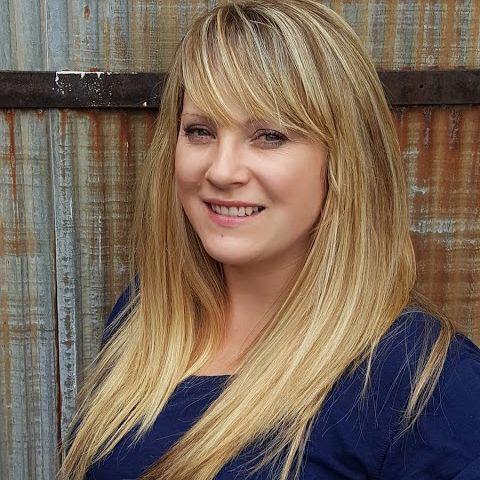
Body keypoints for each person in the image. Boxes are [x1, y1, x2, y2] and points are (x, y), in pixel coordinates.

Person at [61, 1, 480, 479]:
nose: (221, 170)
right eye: (200, 131)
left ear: (342, 159)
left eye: (269, 136)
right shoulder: (146, 316)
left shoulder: (428, 385)